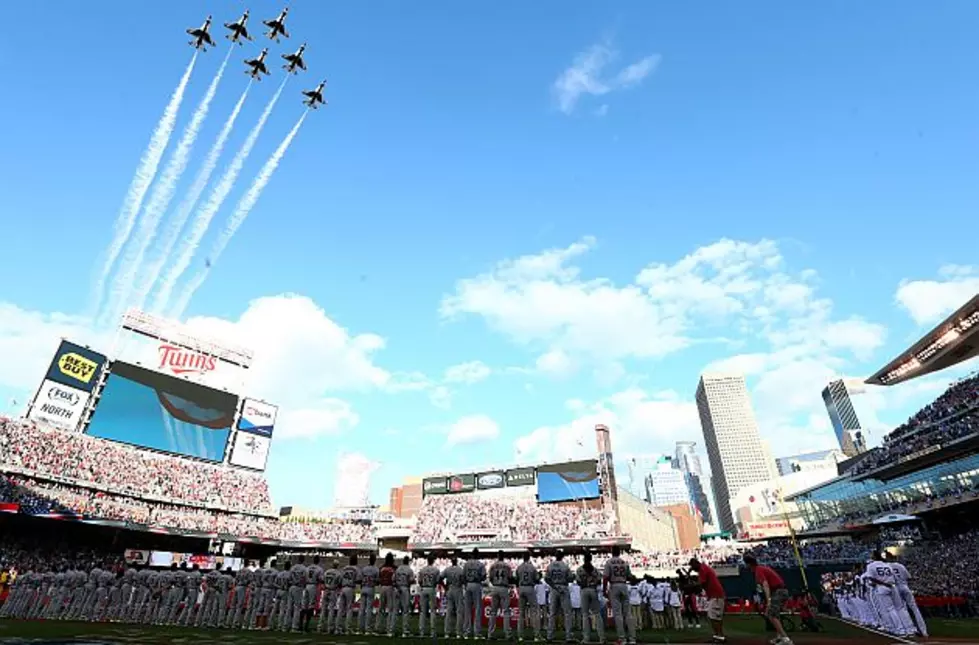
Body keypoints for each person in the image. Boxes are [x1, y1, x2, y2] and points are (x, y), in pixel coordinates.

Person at [743, 554, 793, 645]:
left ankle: (786, 639)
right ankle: (780, 638)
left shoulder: (758, 570)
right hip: (781, 591)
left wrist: (769, 600)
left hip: (778, 591)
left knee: (771, 615)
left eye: (746, 564)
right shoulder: (761, 569)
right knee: (775, 614)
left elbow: (765, 585)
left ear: (749, 564)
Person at [886, 552, 927, 637]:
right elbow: (909, 577)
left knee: (901, 609)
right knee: (915, 609)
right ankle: (924, 631)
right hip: (905, 587)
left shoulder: (887, 566)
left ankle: (909, 629)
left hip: (896, 588)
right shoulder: (901, 566)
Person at [689, 557, 726, 643]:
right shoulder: (704, 568)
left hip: (715, 595)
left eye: (693, 567)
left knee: (713, 616)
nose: (693, 569)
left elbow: (701, 584)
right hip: (715, 595)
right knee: (715, 616)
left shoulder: (702, 569)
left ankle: (719, 636)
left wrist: (690, 585)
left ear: (695, 564)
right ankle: (718, 635)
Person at [576, 551, 605, 645]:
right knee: (597, 614)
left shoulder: (580, 569)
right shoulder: (595, 570)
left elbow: (578, 582)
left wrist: (585, 583)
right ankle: (602, 638)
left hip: (584, 590)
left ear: (584, 559)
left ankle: (586, 639)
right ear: (591, 559)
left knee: (585, 615)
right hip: (593, 590)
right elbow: (599, 581)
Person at [546, 550, 573, 642]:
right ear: (562, 556)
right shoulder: (565, 566)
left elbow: (546, 579)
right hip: (563, 587)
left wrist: (554, 586)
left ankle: (550, 636)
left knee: (552, 613)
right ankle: (568, 636)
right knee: (567, 613)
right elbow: (570, 578)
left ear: (555, 556)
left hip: (554, 588)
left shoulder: (550, 565)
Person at [488, 550, 513, 640]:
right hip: (503, 587)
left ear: (498, 556)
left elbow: (490, 578)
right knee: (506, 612)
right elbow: (510, 578)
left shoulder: (493, 565)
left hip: (495, 587)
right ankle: (508, 634)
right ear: (504, 556)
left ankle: (490, 634)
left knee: (493, 612)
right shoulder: (507, 566)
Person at [515, 552, 540, 642]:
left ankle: (520, 636)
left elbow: (516, 579)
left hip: (522, 588)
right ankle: (536, 635)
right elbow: (537, 579)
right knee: (534, 611)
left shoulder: (519, 567)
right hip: (530, 587)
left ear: (522, 557)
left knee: (521, 613)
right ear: (529, 557)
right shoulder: (532, 567)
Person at [462, 548, 486, 639]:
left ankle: (466, 632)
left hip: (468, 584)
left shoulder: (466, 564)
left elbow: (463, 576)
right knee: (478, 609)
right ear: (478, 555)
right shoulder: (480, 564)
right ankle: (477, 632)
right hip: (476, 584)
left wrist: (466, 584)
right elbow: (483, 577)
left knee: (467, 609)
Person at [441, 555, 465, 639]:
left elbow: (440, 578)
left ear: (451, 561)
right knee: (459, 612)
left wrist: (444, 586)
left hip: (450, 588)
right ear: (457, 561)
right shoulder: (460, 570)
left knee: (449, 611)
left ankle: (447, 633)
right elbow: (464, 581)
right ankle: (458, 633)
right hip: (458, 589)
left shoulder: (447, 569)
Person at [337, 554, 361, 635]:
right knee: (349, 609)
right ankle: (348, 628)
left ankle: (338, 628)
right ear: (356, 561)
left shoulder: (344, 568)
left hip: (343, 588)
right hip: (350, 588)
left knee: (340, 609)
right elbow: (358, 580)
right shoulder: (356, 569)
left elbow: (339, 580)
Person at [418, 554, 441, 638]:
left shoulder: (422, 570)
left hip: (424, 588)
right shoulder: (436, 570)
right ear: (433, 561)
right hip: (431, 588)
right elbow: (437, 581)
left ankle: (421, 632)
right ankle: (433, 632)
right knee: (433, 611)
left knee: (422, 611)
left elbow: (420, 581)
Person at [394, 555, 415, 638]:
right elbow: (411, 580)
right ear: (408, 561)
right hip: (405, 588)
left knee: (395, 611)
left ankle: (392, 630)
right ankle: (405, 631)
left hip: (397, 588)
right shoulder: (409, 569)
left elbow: (393, 579)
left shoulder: (398, 569)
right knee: (405, 611)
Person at [358, 553, 380, 634]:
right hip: (370, 588)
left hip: (363, 587)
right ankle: (367, 628)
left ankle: (360, 628)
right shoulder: (376, 569)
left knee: (362, 609)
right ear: (374, 560)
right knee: (369, 609)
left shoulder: (364, 568)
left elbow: (360, 579)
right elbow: (378, 581)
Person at [375, 553, 396, 635]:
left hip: (382, 587)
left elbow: (378, 579)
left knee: (381, 609)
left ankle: (378, 628)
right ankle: (389, 629)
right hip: (390, 587)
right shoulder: (394, 568)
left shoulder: (382, 568)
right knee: (390, 609)